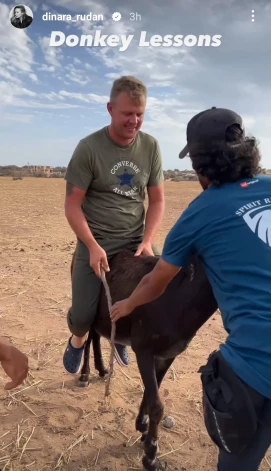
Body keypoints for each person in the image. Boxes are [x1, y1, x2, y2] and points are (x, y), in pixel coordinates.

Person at [110, 107, 271, 471]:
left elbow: (156, 281)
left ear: (199, 167)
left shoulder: (200, 213)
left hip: (256, 365)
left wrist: (127, 304)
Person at [63, 76, 165, 375]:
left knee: (162, 291)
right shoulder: (89, 148)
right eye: (127, 113)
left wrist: (147, 241)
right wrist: (92, 246)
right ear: (110, 109)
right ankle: (78, 339)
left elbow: (157, 201)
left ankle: (119, 337)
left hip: (136, 239)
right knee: (82, 315)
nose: (134, 121)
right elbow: (72, 205)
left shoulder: (151, 147)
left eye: (140, 114)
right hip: (96, 241)